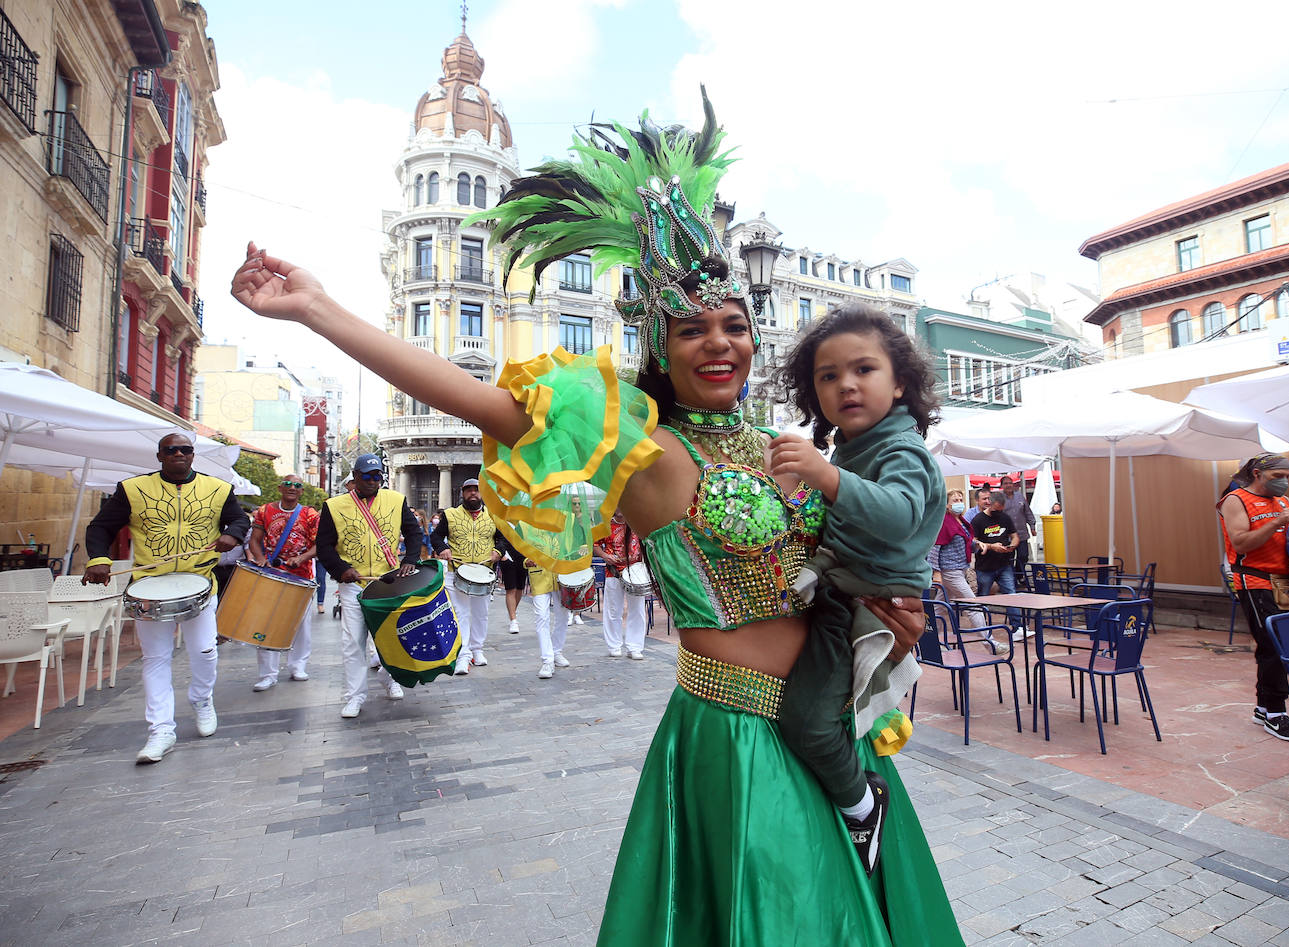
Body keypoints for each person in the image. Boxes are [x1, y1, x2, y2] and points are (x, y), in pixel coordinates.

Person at [231, 89, 961, 945]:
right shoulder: (641, 448)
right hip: (738, 741)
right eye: (690, 330)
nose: (718, 342)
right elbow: (477, 398)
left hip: (831, 722)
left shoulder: (790, 445)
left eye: (733, 324)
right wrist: (317, 309)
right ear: (657, 344)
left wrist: (893, 619)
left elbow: (860, 558)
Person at [769, 303, 943, 875]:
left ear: (900, 385)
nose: (846, 383)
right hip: (842, 590)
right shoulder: (851, 449)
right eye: (828, 375)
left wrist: (826, 478)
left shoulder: (902, 452)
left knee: (809, 724)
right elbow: (833, 523)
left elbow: (895, 518)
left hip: (862, 609)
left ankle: (862, 804)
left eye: (863, 369)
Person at [82, 432, 250, 764]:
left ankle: (202, 699)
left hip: (199, 581)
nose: (178, 454)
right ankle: (160, 730)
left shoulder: (217, 489)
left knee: (204, 650)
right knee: (155, 659)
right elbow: (99, 528)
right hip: (150, 585)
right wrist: (99, 560)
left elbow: (239, 518)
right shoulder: (133, 489)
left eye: (185, 450)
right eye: (170, 450)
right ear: (159, 456)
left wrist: (232, 534)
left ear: (192, 455)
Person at [1218, 452, 1289, 742]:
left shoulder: (1283, 503)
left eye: (1288, 477)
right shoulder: (1235, 500)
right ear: (1258, 475)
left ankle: (1264, 708)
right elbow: (1240, 542)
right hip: (1254, 580)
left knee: (1278, 644)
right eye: (1278, 477)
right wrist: (1275, 522)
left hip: (1284, 582)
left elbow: (1285, 540)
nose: (1284, 483)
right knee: (1273, 645)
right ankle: (1276, 713)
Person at [316, 453, 423, 718]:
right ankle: (354, 696)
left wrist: (410, 559)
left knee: (392, 638)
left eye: (378, 476)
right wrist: (342, 570)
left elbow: (413, 533)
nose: (374, 481)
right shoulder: (334, 506)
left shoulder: (396, 500)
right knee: (353, 642)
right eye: (368, 476)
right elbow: (324, 547)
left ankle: (390, 679)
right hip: (355, 585)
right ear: (355, 477)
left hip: (388, 583)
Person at [246, 473, 319, 690]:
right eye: (288, 484)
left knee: (300, 624)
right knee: (266, 622)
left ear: (301, 491)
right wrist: (260, 559)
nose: (292, 487)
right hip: (271, 574)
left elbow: (320, 544)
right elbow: (254, 541)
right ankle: (267, 673)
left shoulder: (310, 514)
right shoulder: (265, 511)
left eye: (297, 485)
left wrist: (302, 558)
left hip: (301, 575)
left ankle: (298, 665)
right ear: (280, 487)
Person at [432, 478, 501, 674]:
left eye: (476, 490)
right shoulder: (450, 515)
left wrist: (498, 551)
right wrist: (443, 548)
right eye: (468, 490)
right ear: (462, 493)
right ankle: (463, 655)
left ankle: (477, 649)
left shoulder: (494, 516)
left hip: (484, 572)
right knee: (460, 614)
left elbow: (503, 538)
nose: (473, 493)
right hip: (457, 572)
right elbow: (436, 536)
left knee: (481, 613)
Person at [930, 488, 1009, 655]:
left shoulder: (961, 522)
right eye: (955, 501)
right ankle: (990, 643)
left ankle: (930, 641)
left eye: (960, 499)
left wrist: (981, 545)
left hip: (959, 569)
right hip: (950, 570)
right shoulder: (944, 522)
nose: (959, 503)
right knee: (973, 604)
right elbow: (935, 548)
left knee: (939, 607)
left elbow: (968, 543)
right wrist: (936, 572)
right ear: (946, 505)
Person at [971, 490, 1024, 639]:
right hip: (985, 566)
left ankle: (1017, 628)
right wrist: (991, 546)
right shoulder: (978, 520)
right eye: (996, 509)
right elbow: (973, 541)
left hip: (1004, 564)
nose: (998, 512)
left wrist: (1012, 545)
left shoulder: (1005, 518)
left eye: (1001, 509)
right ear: (990, 503)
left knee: (1011, 594)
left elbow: (1014, 536)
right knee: (983, 597)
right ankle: (983, 629)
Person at [595, 510, 647, 659]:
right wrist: (605, 556)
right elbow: (595, 544)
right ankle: (614, 645)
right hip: (613, 572)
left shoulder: (637, 523)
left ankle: (635, 647)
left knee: (637, 610)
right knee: (613, 610)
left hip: (635, 573)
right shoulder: (605, 525)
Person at [526, 557, 572, 678]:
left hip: (561, 576)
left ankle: (556, 651)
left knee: (563, 616)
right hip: (539, 576)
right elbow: (523, 546)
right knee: (541, 617)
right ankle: (547, 660)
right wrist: (526, 560)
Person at [999, 474, 1036, 582]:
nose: (1008, 485)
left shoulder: (1020, 496)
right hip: (1007, 536)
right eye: (1005, 483)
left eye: (1010, 483)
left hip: (1022, 534)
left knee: (1024, 556)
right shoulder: (1000, 498)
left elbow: (1028, 512)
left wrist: (1032, 526)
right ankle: (1011, 579)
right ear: (1002, 486)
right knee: (1009, 559)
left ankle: (1019, 575)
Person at [494, 525, 527, 635]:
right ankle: (513, 620)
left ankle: (512, 612)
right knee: (511, 589)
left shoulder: (523, 520)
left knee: (520, 588)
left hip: (524, 557)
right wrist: (502, 555)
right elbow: (495, 537)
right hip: (507, 557)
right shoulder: (502, 520)